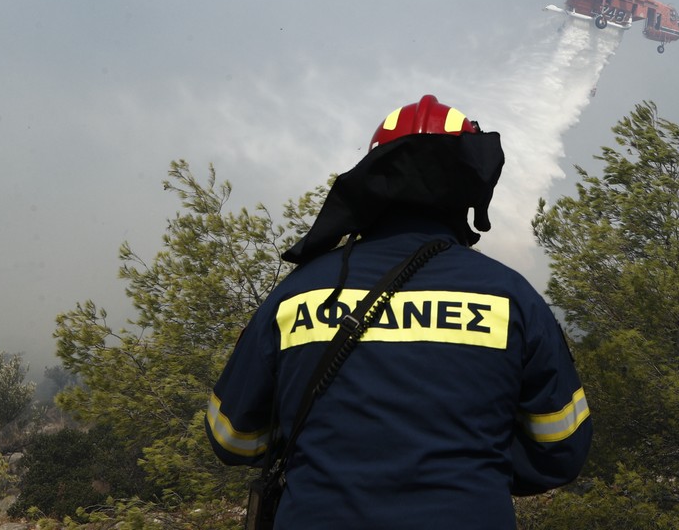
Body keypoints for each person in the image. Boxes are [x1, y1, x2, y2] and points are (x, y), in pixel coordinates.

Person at [206, 95, 591, 528]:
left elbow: (231, 437)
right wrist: (473, 470)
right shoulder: (513, 298)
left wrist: (323, 452)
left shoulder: (295, 295)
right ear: (468, 188)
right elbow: (560, 448)